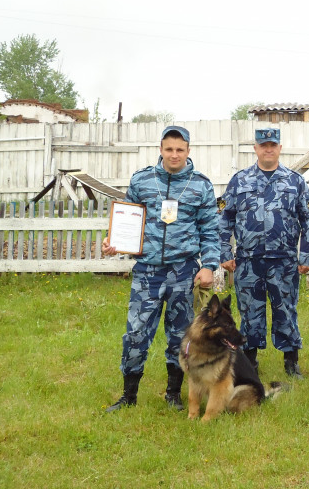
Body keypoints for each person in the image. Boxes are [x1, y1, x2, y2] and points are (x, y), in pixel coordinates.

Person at [104, 125, 220, 412]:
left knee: (180, 336)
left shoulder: (201, 185)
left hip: (183, 272)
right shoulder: (142, 181)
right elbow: (127, 220)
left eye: (180, 149)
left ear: (188, 151)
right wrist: (114, 242)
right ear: (161, 149)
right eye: (169, 149)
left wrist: (210, 266)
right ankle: (128, 396)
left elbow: (210, 230)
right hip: (148, 272)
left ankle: (173, 394)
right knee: (135, 333)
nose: (174, 154)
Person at [219, 128, 309, 379]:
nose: (268, 149)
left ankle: (291, 362)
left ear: (280, 148)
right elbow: (225, 219)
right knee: (250, 312)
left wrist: (306, 255)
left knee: (286, 311)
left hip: (284, 261)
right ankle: (250, 362)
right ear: (256, 148)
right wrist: (224, 252)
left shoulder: (295, 181)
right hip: (249, 261)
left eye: (273, 145)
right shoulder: (239, 181)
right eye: (263, 145)